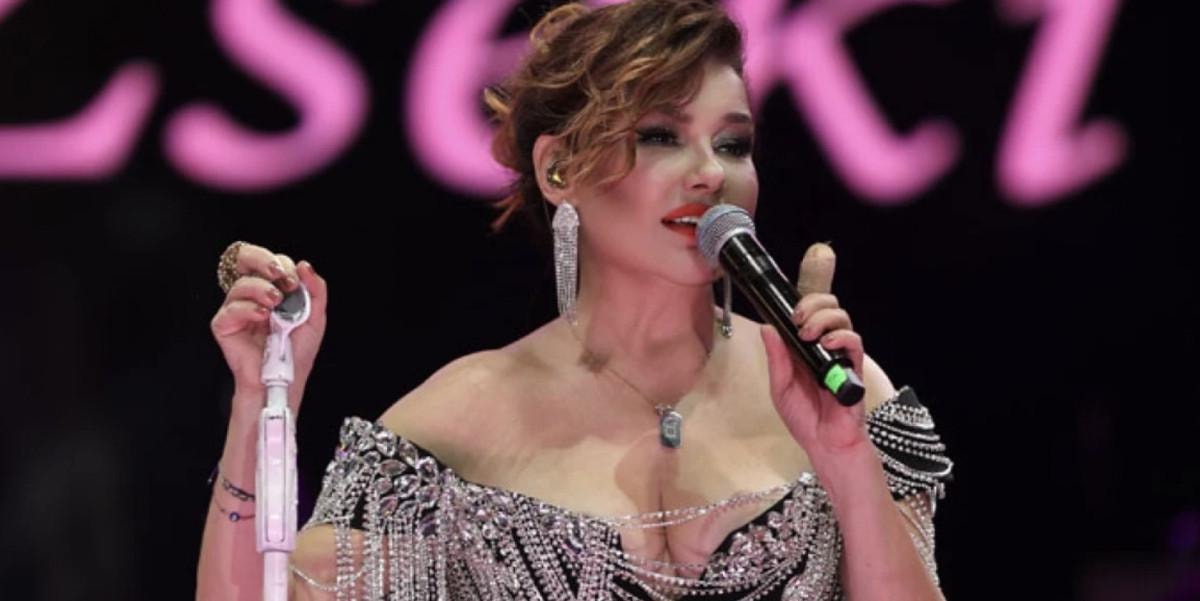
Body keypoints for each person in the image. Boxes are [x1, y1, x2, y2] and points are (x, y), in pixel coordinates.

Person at [195, 1, 953, 599]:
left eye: (732, 144)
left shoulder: (838, 391)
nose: (709, 173)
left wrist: (845, 460)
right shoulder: (455, 426)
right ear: (559, 170)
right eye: (661, 136)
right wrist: (261, 401)